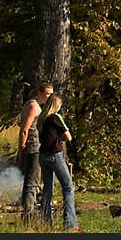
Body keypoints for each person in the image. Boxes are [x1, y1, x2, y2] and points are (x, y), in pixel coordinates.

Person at [37, 93, 80, 231]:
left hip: (42, 155)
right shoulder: (56, 117)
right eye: (60, 105)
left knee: (47, 189)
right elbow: (69, 137)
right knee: (67, 187)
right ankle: (70, 223)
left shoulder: (42, 118)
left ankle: (46, 221)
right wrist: (58, 138)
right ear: (56, 105)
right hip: (55, 155)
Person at [17, 82, 53, 221]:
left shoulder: (36, 106)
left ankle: (31, 209)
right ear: (39, 92)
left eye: (51, 94)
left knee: (33, 180)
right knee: (32, 180)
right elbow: (25, 129)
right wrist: (21, 148)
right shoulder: (33, 106)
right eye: (47, 94)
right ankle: (28, 214)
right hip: (33, 147)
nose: (49, 97)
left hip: (35, 146)